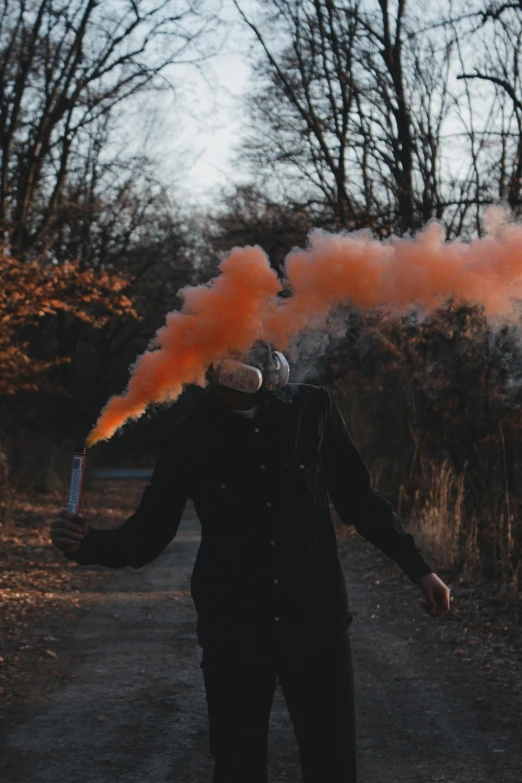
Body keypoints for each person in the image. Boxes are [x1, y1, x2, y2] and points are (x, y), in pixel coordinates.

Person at [51, 341, 451, 783]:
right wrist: (84, 545)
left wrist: (419, 567)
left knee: (332, 764)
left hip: (315, 620)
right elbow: (145, 539)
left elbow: (360, 500)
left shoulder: (312, 408)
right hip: (234, 630)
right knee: (238, 767)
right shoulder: (187, 440)